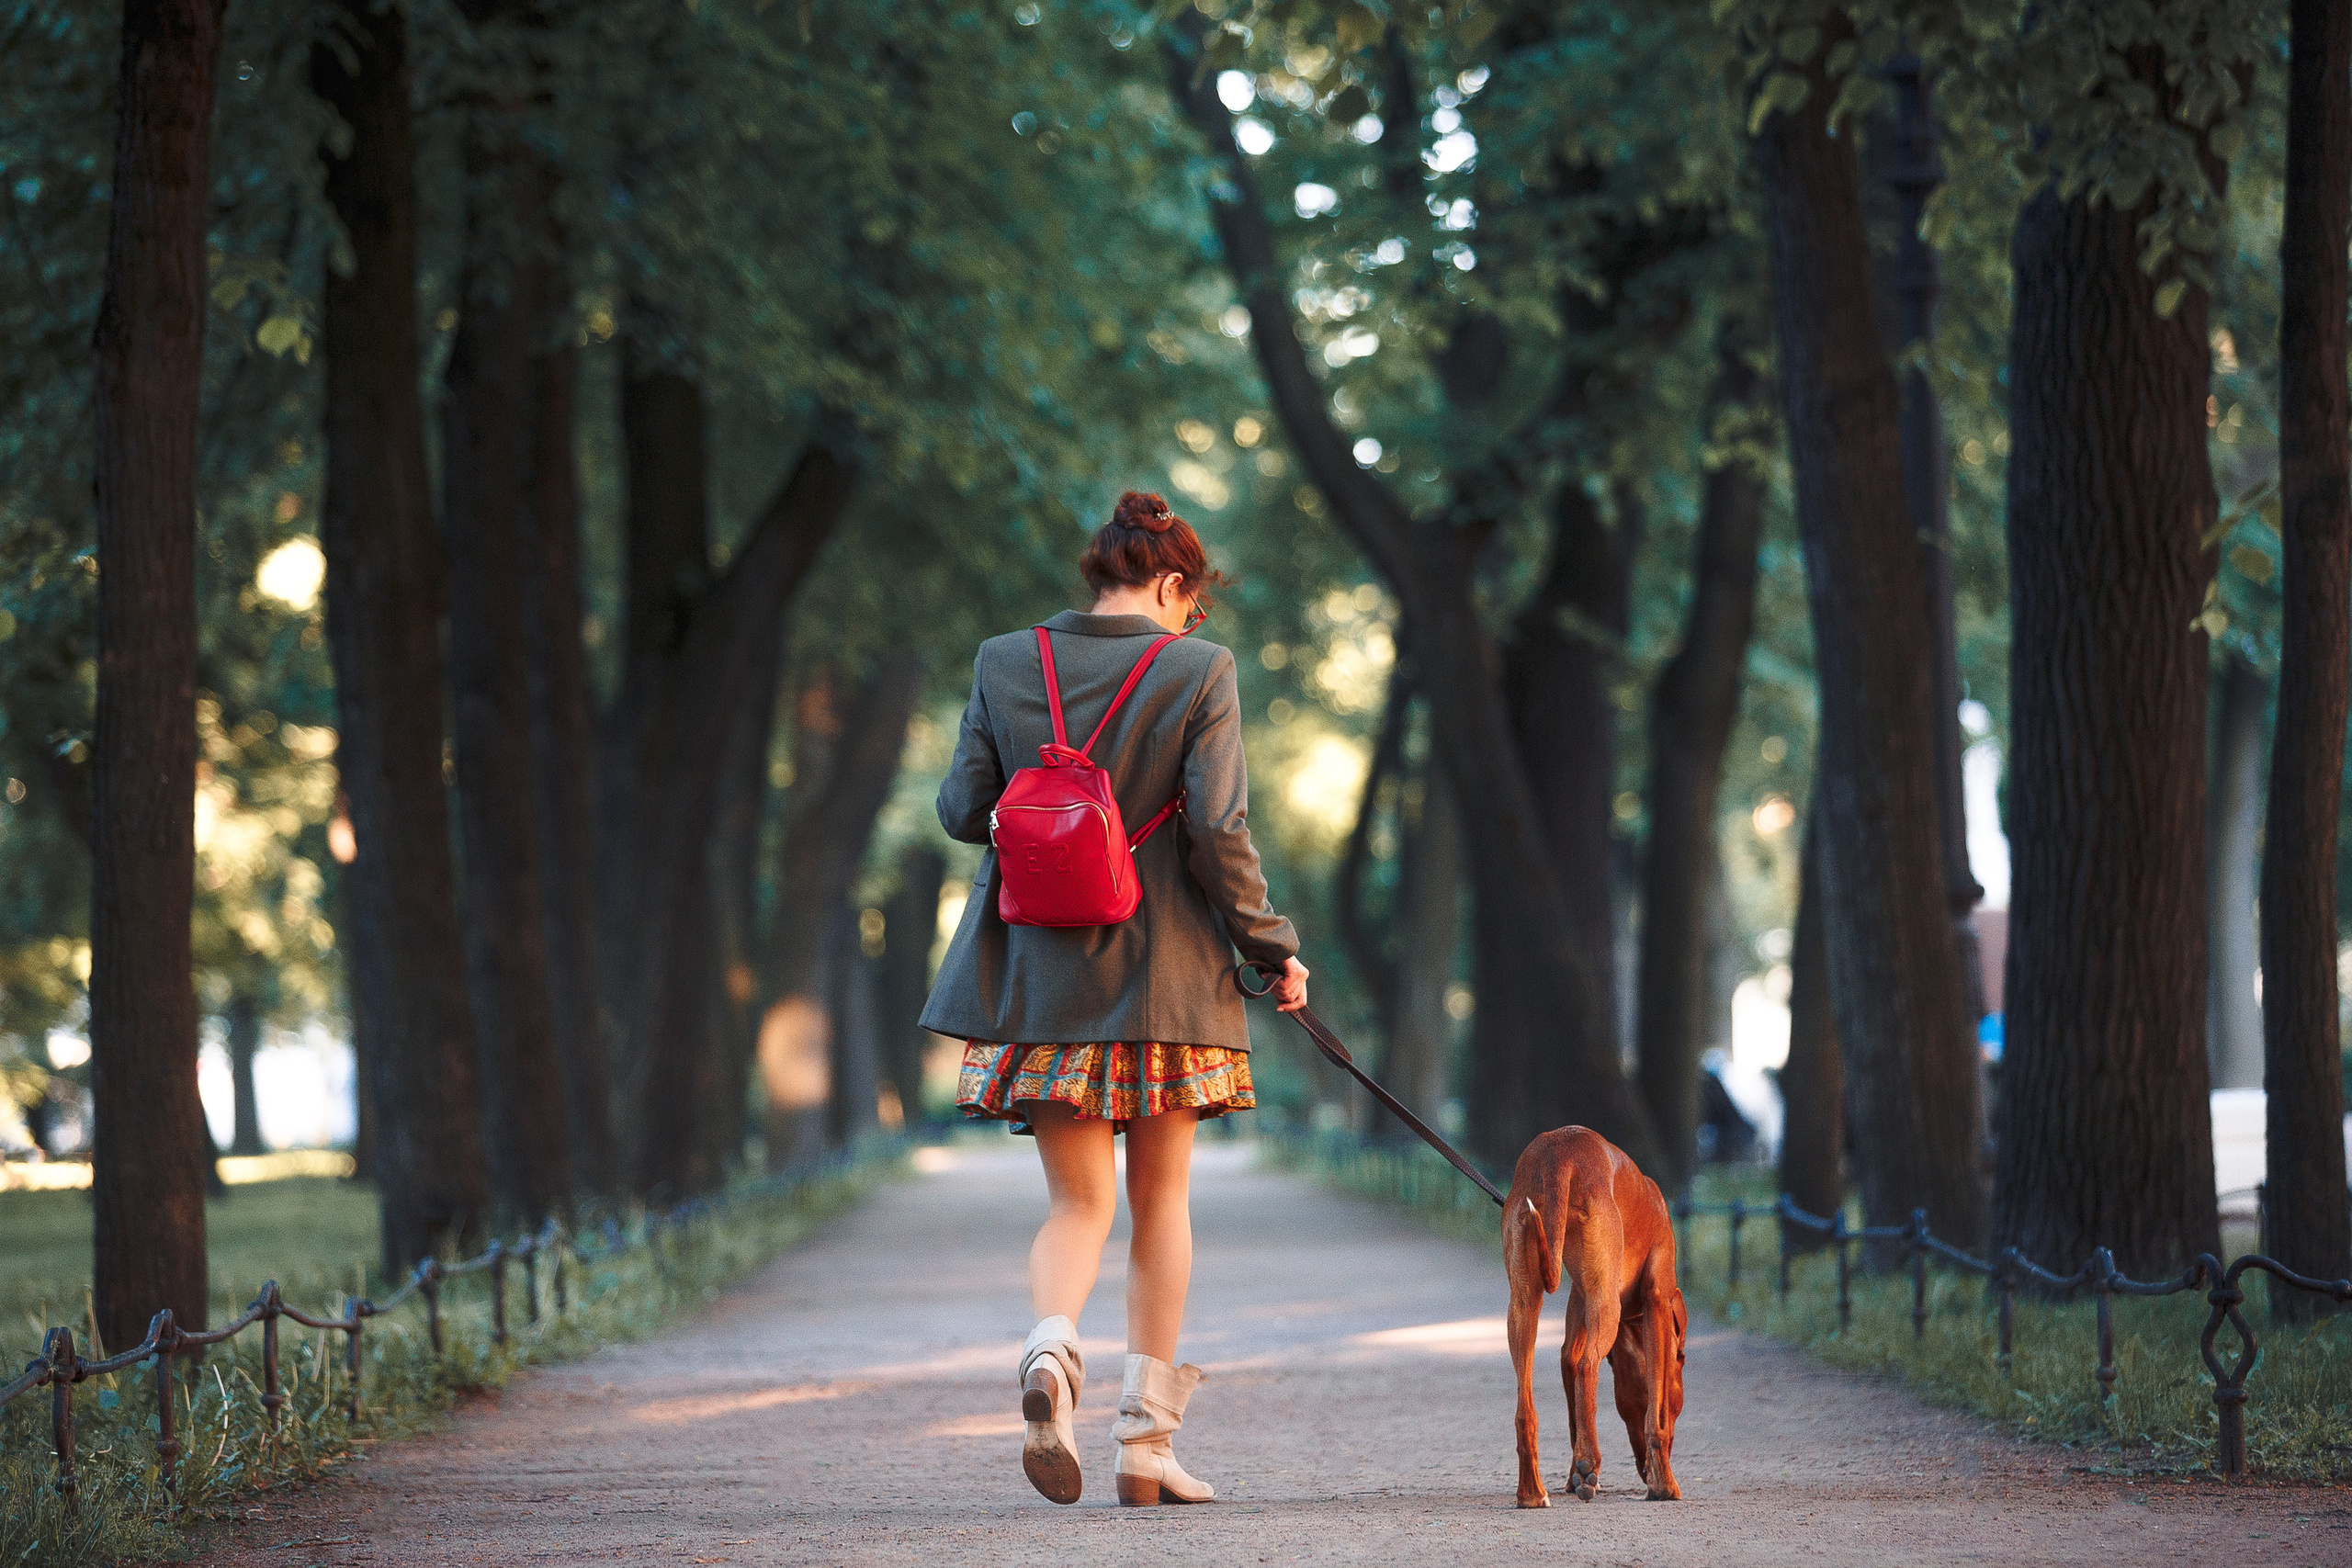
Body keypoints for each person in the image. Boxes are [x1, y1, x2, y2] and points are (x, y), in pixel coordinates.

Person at [921, 491, 1307, 1507]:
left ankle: (1050, 1353)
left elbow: (963, 810)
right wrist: (1271, 950)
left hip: (1042, 981)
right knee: (1160, 1202)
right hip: (1169, 982)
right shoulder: (1196, 671)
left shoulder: (1005, 661)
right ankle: (1144, 1449)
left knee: (1076, 1203)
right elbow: (1219, 833)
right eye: (1194, 604)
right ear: (1173, 585)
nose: (1192, 624)